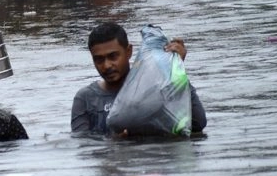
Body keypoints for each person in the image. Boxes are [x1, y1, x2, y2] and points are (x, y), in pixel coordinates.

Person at [71, 22, 207, 135]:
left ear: (129, 51)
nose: (106, 65)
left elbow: (197, 124)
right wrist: (113, 142)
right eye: (99, 59)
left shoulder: (155, 87)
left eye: (113, 56)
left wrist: (176, 70)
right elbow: (83, 146)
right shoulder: (85, 98)